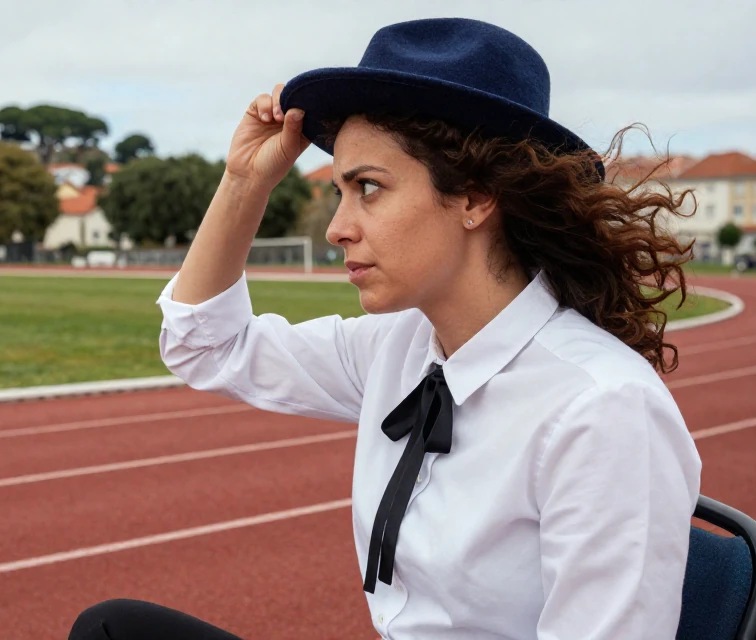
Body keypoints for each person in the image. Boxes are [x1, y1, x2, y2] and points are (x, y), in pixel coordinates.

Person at [69, 18, 701, 640]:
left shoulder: (602, 410)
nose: (337, 228)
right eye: (342, 191)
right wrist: (244, 183)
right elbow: (206, 346)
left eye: (368, 188)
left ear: (476, 199)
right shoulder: (398, 348)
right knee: (113, 628)